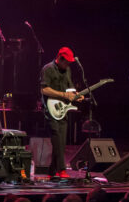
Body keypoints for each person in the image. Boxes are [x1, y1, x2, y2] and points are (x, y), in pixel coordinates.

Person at [40, 47, 82, 178]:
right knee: (57, 137)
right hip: (51, 109)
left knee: (61, 142)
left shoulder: (67, 70)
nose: (68, 64)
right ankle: (61, 170)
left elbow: (69, 88)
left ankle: (51, 172)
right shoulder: (48, 69)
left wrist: (76, 95)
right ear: (59, 58)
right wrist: (63, 94)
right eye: (66, 62)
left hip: (63, 109)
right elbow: (44, 90)